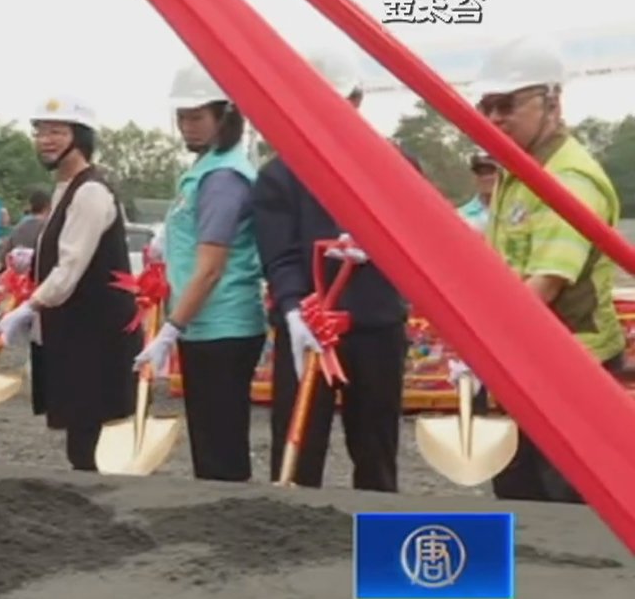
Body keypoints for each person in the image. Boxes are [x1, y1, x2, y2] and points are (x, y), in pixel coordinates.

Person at [452, 35, 623, 504]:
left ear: (551, 101)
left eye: (506, 105)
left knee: (565, 516)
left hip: (572, 372)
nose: (494, 119)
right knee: (521, 501)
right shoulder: (519, 171)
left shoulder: (568, 181)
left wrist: (476, 340)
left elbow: (543, 284)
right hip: (529, 365)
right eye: (486, 106)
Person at [253, 50, 422, 492]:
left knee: (375, 448)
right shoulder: (280, 176)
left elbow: (420, 239)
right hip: (308, 332)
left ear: (358, 101)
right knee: (297, 451)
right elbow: (281, 255)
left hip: (375, 325)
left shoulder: (397, 166)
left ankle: (378, 536)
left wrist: (387, 251)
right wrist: (293, 311)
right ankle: (292, 541)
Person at [133, 61, 267, 482]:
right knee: (209, 441)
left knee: (220, 445)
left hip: (221, 325)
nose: (187, 127)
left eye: (196, 118)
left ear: (224, 117)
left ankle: (231, 529)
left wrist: (171, 328)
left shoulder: (224, 177)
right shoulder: (204, 170)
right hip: (205, 325)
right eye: (182, 118)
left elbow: (211, 268)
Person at [0, 98, 141, 471]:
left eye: (57, 131)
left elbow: (71, 268)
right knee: (80, 436)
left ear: (81, 137)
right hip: (77, 332)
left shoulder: (90, 191)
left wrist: (27, 308)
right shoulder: (67, 188)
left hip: (96, 336)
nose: (46, 140)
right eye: (41, 131)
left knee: (91, 443)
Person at [0, 187, 51, 268]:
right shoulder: (49, 228)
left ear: (31, 205)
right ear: (48, 206)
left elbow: (2, 259)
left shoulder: (19, 226)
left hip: (18, 276)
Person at [457, 152, 499, 232]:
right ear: (474, 177)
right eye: (481, 173)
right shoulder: (460, 216)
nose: (486, 178)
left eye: (490, 172)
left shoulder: (514, 210)